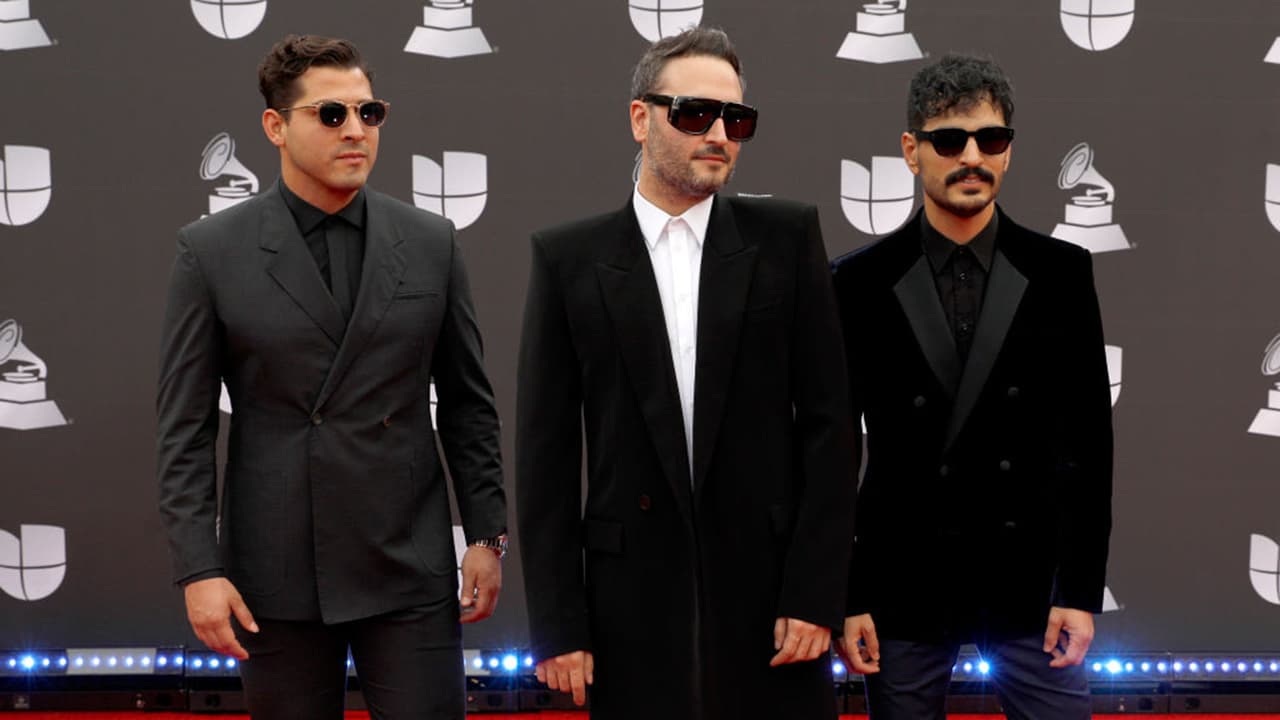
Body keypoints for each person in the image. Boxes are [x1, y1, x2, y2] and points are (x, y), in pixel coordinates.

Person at [156, 34, 507, 720]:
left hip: (407, 564)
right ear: (276, 127)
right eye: (331, 115)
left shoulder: (431, 242)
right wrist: (199, 568)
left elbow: (468, 404)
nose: (356, 131)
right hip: (275, 574)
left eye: (368, 114)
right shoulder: (211, 252)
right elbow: (186, 428)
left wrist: (488, 534)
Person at [515, 26, 857, 720]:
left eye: (737, 119)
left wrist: (813, 594)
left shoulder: (787, 240)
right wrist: (559, 623)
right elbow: (545, 455)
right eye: (696, 113)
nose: (720, 134)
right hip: (628, 602)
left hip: (772, 606)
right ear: (641, 118)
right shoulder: (568, 258)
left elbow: (831, 427)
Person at [831, 54, 1113, 720]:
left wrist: (1079, 589)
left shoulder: (1062, 273)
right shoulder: (857, 283)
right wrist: (848, 594)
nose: (972, 157)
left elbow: (1090, 444)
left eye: (991, 139)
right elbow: (833, 453)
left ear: (1009, 152)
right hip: (903, 582)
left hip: (1031, 587)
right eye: (949, 140)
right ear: (911, 150)